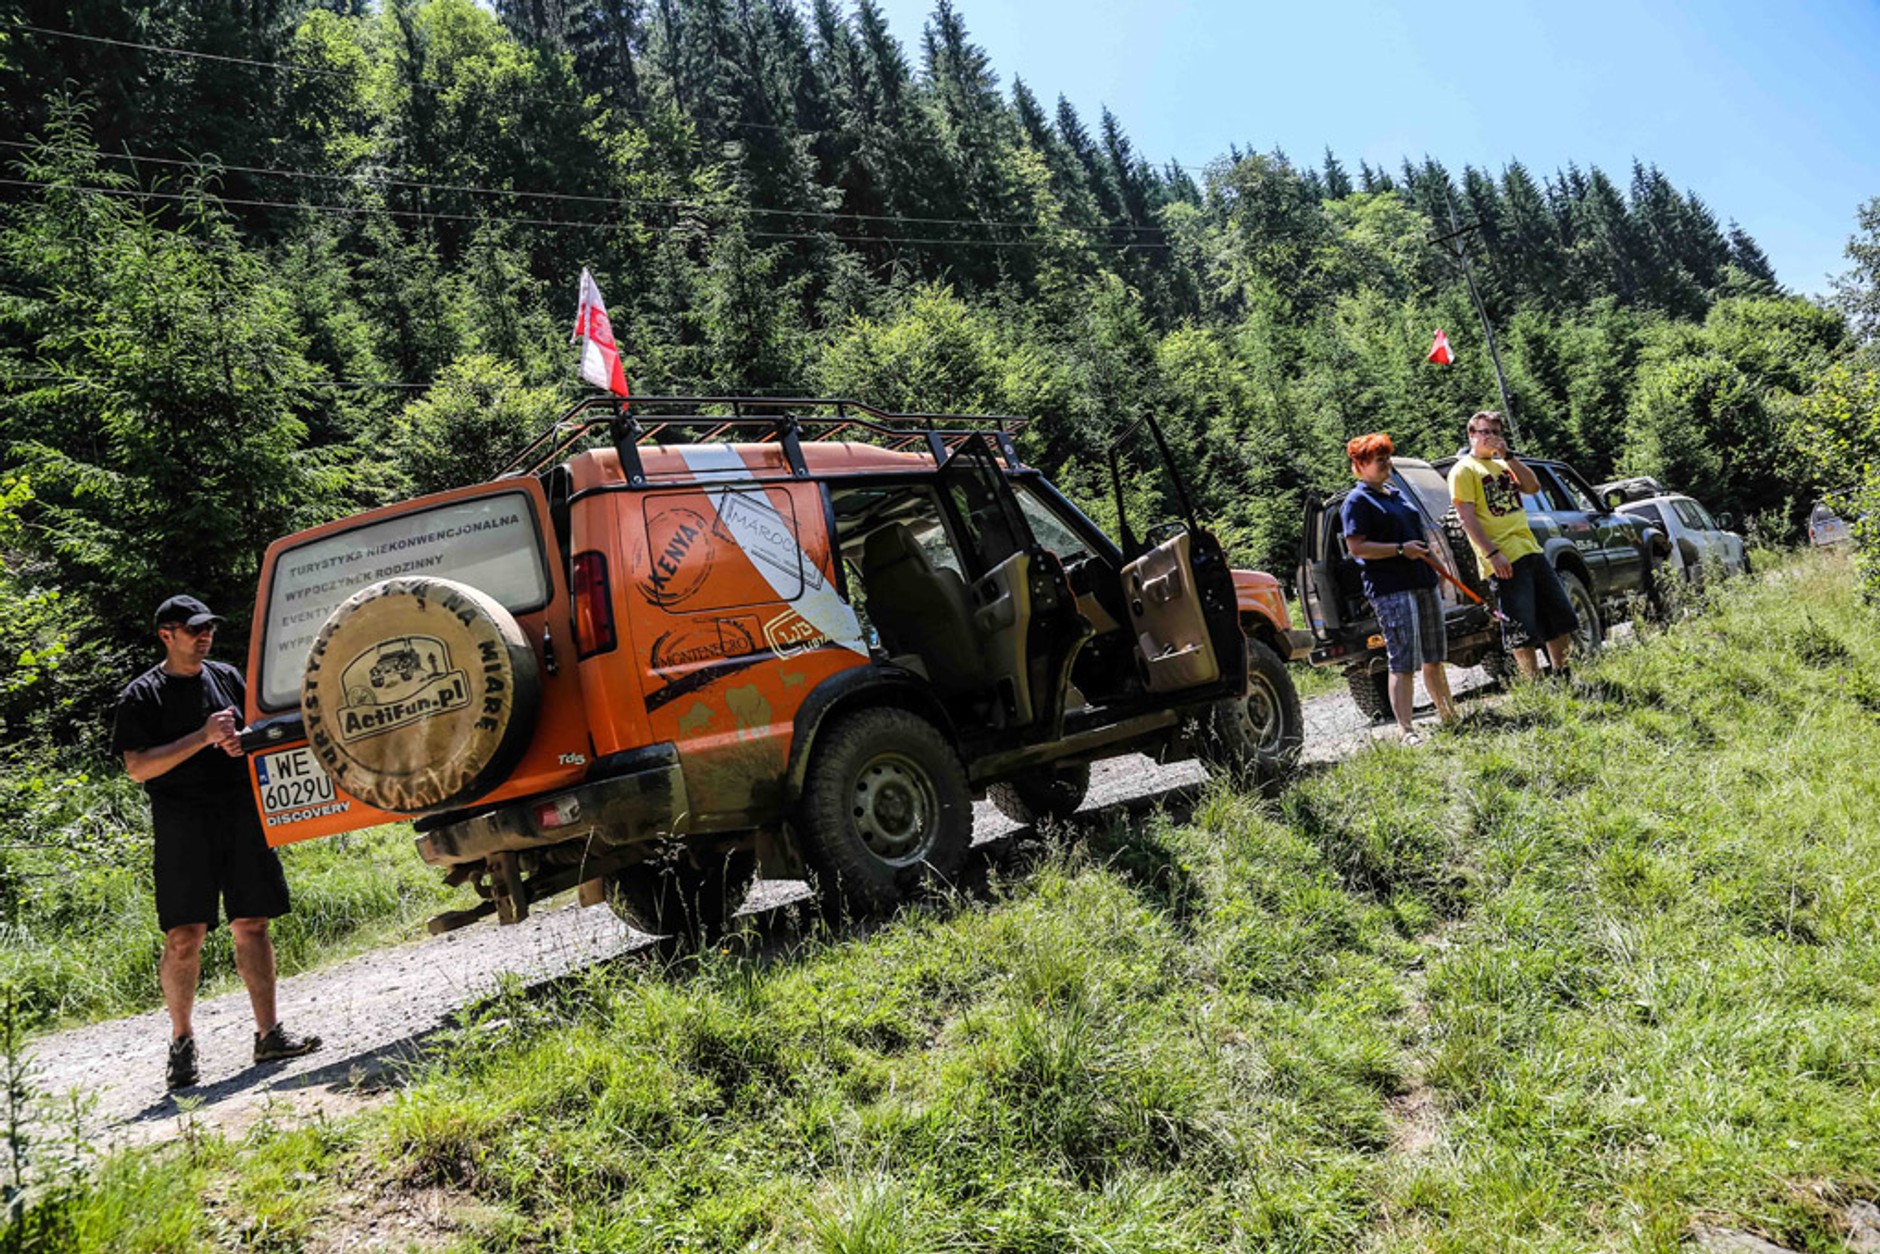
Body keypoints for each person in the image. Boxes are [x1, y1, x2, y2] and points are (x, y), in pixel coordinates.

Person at [111, 595, 321, 1090]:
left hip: (241, 814)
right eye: (194, 629)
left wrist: (240, 740)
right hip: (182, 825)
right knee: (185, 936)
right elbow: (138, 767)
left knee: (253, 923)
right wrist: (203, 737)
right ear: (167, 635)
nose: (204, 635)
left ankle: (268, 1034)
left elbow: (256, 731)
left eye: (208, 627)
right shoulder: (142, 694)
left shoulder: (226, 676)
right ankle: (182, 1042)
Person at [1340, 432, 1459, 743]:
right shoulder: (1357, 501)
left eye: (1388, 458)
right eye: (1380, 460)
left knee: (1434, 655)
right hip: (1391, 588)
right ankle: (1406, 731)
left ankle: (1449, 716)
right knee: (1403, 659)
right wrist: (1400, 550)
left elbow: (1419, 537)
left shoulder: (1396, 494)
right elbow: (1357, 547)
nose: (1387, 464)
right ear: (1360, 465)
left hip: (1423, 581)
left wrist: (1440, 568)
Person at [1446, 411, 1577, 680]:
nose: (1491, 437)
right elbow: (1466, 517)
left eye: (1496, 432)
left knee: (1557, 616)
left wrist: (1508, 456)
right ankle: (1534, 684)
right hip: (1503, 556)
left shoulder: (1504, 465)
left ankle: (1563, 675)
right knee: (1520, 625)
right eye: (1485, 432)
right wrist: (1492, 553)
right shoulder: (1463, 470)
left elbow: (1532, 486)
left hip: (1530, 548)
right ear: (1471, 435)